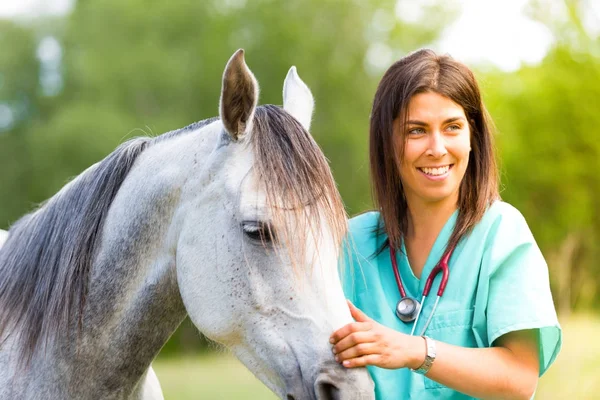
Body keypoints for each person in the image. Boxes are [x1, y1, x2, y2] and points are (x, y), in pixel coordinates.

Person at [330, 49, 562, 399]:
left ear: (473, 137)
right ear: (387, 142)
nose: (437, 148)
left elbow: (519, 378)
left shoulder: (502, 234)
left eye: (452, 127)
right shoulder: (349, 244)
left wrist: (415, 351)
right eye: (416, 130)